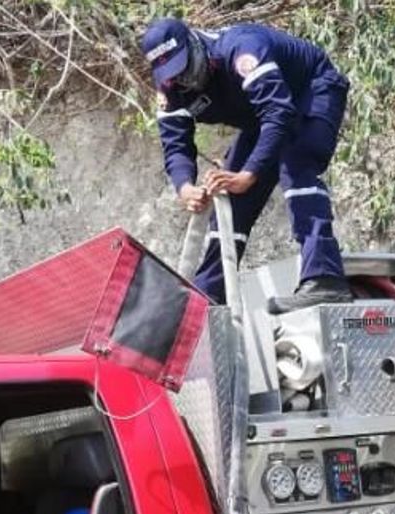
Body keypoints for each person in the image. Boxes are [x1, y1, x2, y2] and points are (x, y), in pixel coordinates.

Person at [142, 18, 354, 314]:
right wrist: (185, 187)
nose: (184, 80)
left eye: (185, 68)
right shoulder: (169, 84)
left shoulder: (242, 50)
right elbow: (175, 144)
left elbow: (279, 112)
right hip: (261, 117)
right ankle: (209, 297)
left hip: (310, 89)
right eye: (173, 75)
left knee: (297, 164)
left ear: (194, 44)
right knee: (230, 199)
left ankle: (324, 278)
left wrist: (249, 173)